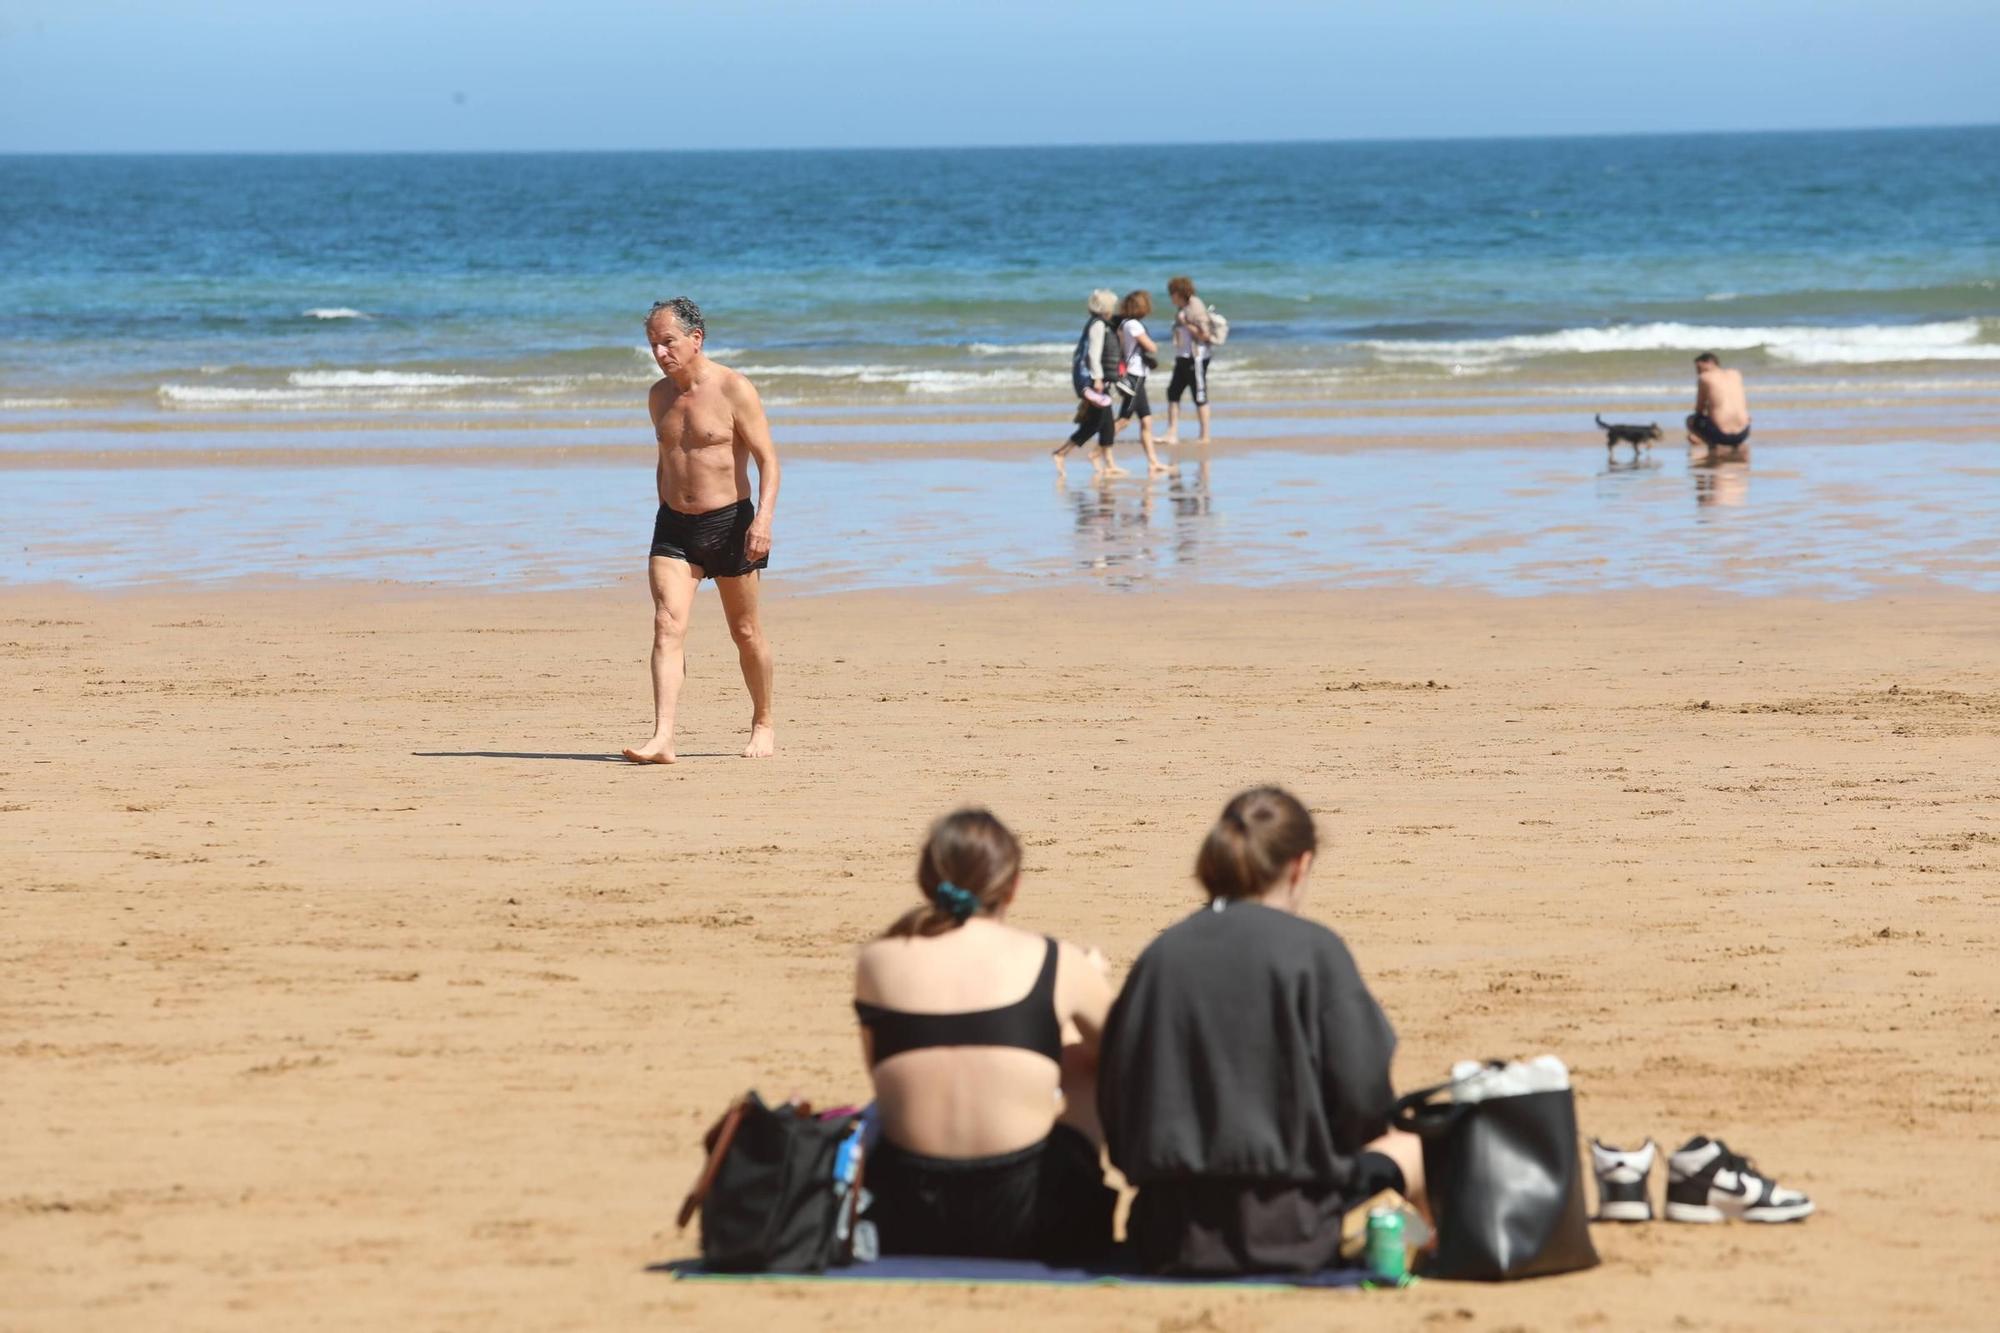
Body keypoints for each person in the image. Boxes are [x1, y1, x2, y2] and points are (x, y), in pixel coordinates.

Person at [1097, 786, 1426, 1276]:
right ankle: (1432, 1247)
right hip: (1294, 1233)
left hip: (1168, 1235)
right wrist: (1329, 1159)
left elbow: (1117, 1108)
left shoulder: (1159, 956)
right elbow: (1364, 1095)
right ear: (1299, 866)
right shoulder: (1315, 951)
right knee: (1422, 1144)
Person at [854, 808, 1117, 1263]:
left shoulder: (877, 961)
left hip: (908, 1216)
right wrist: (1079, 996)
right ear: (1011, 887)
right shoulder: (1056, 962)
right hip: (1033, 1222)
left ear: (926, 881)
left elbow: (879, 1070)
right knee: (1084, 1064)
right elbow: (1129, 1051)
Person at [621, 297, 780, 764]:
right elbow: (666, 459)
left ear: (696, 338)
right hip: (673, 526)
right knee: (667, 624)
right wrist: (664, 511)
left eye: (668, 341)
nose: (660, 352)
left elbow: (770, 461)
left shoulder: (734, 389)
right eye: (653, 344)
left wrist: (763, 521)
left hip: (730, 523)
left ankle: (763, 721)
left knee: (745, 630)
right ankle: (663, 737)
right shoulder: (658, 396)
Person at [1054, 290, 1124, 477]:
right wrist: (1098, 379)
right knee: (1095, 423)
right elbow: (1093, 354)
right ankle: (1061, 453)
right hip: (1094, 380)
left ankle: (1109, 463)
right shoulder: (1098, 326)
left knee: (1107, 423)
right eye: (1111, 306)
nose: (1113, 309)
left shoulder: (1099, 323)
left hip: (1098, 379)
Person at [1113, 290, 1171, 475]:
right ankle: (1099, 451)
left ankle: (1153, 461)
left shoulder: (1123, 324)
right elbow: (1151, 346)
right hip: (1134, 376)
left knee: (1146, 421)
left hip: (1135, 376)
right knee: (1123, 420)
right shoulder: (1134, 325)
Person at [1162, 276, 1215, 445]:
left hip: (1196, 357)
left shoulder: (1195, 306)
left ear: (1179, 293)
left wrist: (1185, 323)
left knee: (1199, 394)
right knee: (1173, 392)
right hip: (1183, 356)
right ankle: (1172, 433)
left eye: (1172, 294)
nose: (1170, 298)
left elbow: (1205, 334)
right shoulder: (1182, 307)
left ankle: (1205, 435)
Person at [1686, 351, 1751, 458]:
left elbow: (1699, 409)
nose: (1698, 372)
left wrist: (1694, 433)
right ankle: (1736, 445)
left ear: (1709, 363)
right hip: (1743, 433)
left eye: (1699, 368)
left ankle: (1713, 446)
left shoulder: (1705, 377)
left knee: (1690, 420)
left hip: (1721, 435)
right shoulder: (1735, 374)